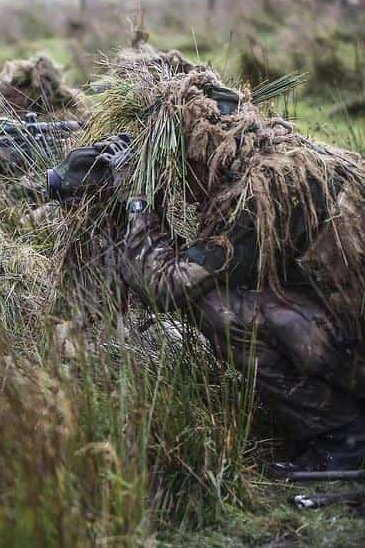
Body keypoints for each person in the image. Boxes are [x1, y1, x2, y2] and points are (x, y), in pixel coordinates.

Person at [95, 73, 365, 472]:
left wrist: (137, 205)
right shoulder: (294, 158)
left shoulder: (256, 199)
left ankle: (344, 438)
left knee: (218, 307)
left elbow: (166, 286)